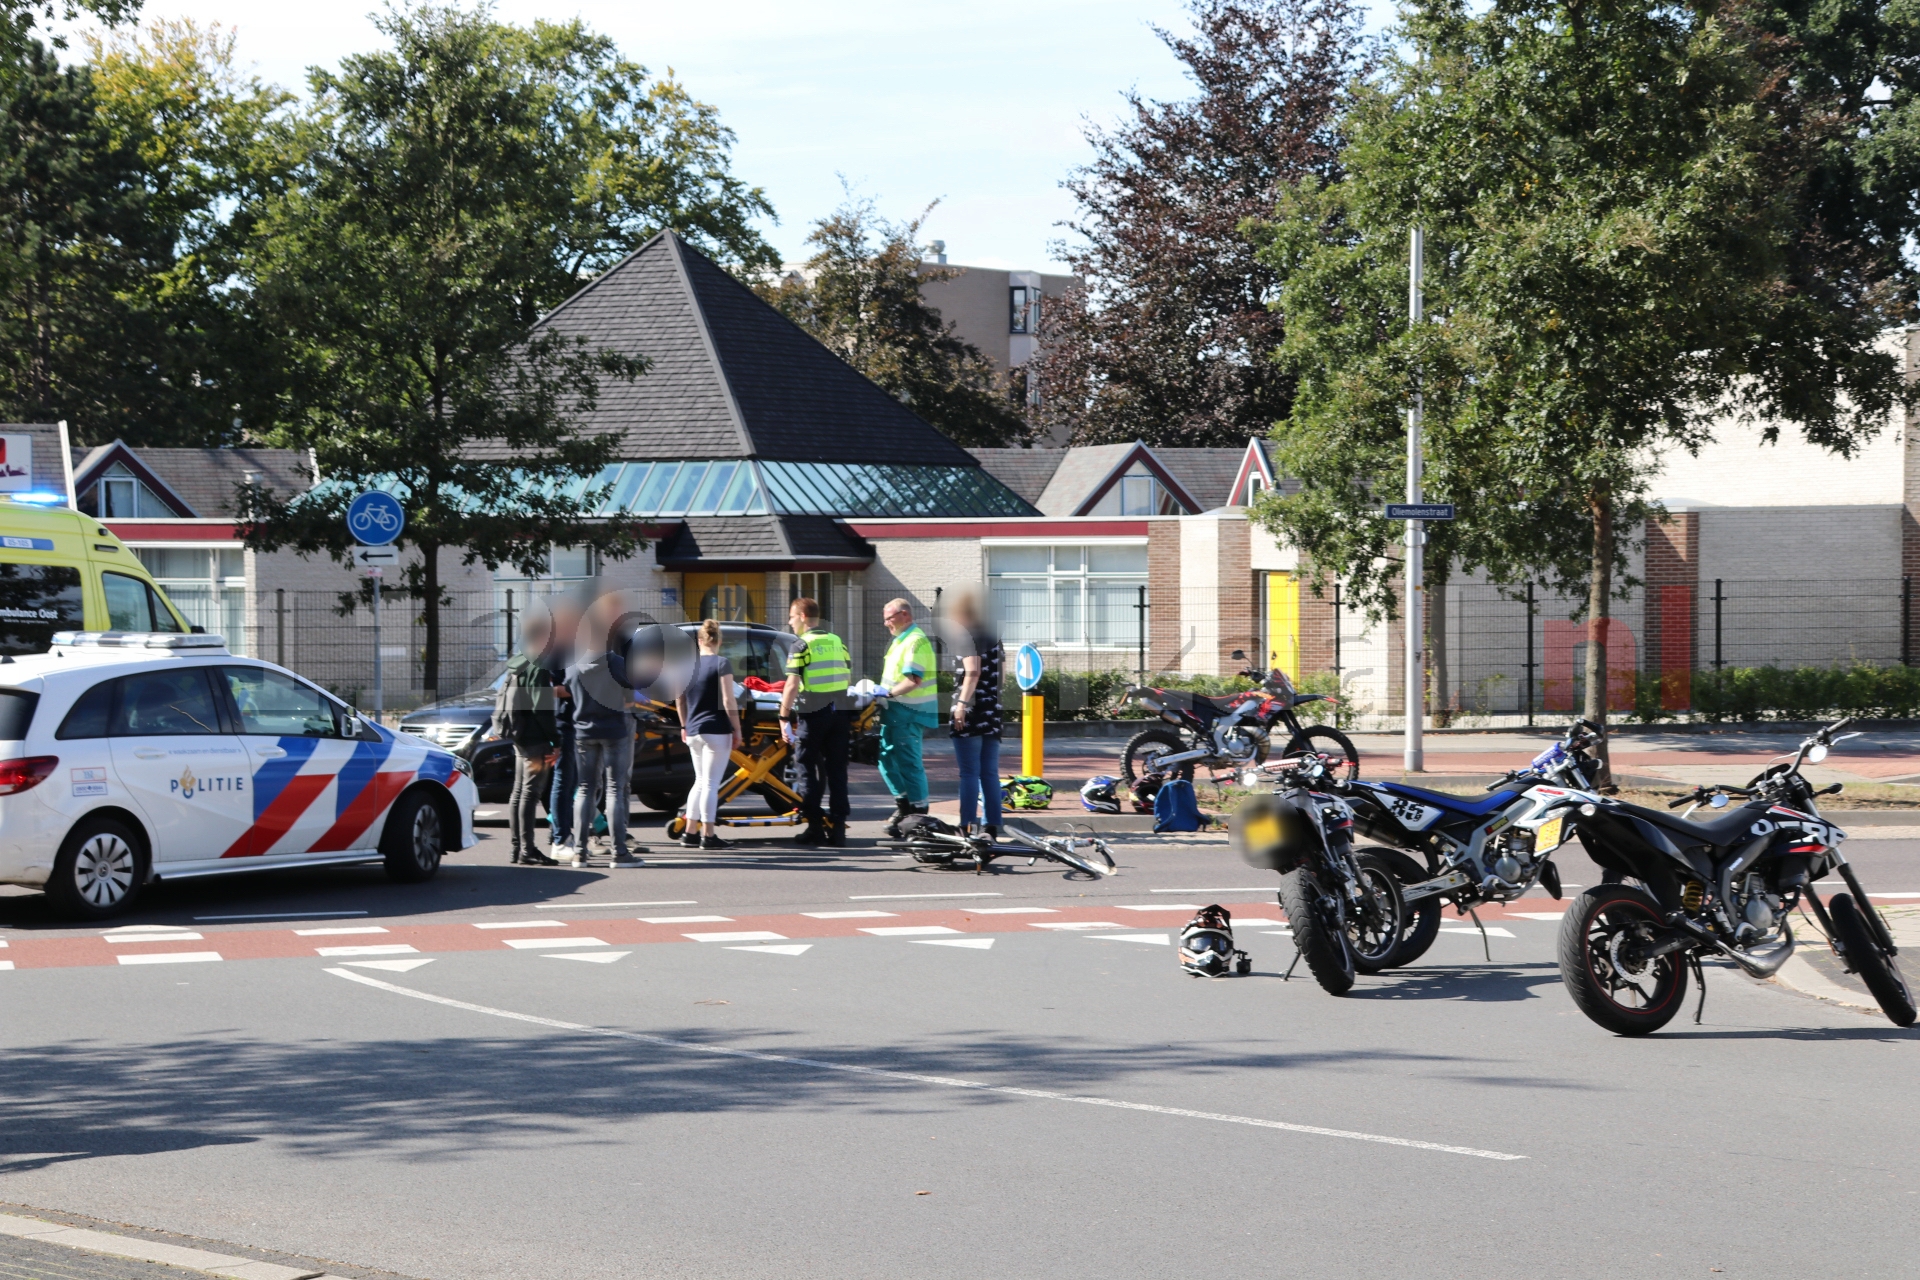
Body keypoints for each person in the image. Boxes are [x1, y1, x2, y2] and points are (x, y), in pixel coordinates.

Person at [564, 598, 644, 867]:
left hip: (583, 732)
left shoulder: (573, 666)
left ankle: (579, 852)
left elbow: (568, 694)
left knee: (585, 789)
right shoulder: (616, 663)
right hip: (614, 730)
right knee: (614, 788)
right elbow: (630, 699)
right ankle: (619, 852)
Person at [777, 596, 851, 846]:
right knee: (837, 770)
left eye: (791, 617)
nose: (789, 622)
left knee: (806, 765)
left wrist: (783, 716)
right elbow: (847, 672)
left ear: (802, 617)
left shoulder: (801, 645)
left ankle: (815, 825)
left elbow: (792, 684)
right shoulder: (837, 641)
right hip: (840, 711)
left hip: (814, 712)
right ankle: (839, 828)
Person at [493, 611, 561, 866]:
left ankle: (516, 848)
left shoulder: (518, 660)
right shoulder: (539, 665)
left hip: (519, 734)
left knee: (519, 792)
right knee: (531, 794)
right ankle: (528, 850)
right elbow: (541, 707)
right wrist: (556, 741)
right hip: (536, 739)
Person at [675, 618, 745, 850]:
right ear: (719, 641)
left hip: (693, 730)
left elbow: (679, 698)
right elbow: (728, 699)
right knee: (711, 784)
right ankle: (709, 834)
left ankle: (690, 831)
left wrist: (684, 726)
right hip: (716, 730)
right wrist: (737, 728)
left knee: (700, 781)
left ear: (699, 640)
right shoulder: (722, 663)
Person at [877, 597, 937, 839]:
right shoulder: (900, 641)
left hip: (909, 712)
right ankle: (904, 807)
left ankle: (919, 815)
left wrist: (887, 693)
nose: (886, 624)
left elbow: (913, 679)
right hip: (894, 712)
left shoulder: (915, 641)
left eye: (889, 618)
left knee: (909, 763)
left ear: (905, 615)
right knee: (884, 759)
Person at [947, 590, 1005, 839]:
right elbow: (1001, 675)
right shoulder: (994, 637)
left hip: (970, 710)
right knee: (989, 772)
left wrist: (962, 703)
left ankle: (966, 824)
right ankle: (992, 824)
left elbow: (972, 671)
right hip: (992, 709)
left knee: (969, 772)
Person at [542, 594, 582, 863]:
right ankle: (559, 839)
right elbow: (545, 690)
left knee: (575, 783)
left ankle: (569, 833)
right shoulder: (552, 651)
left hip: (581, 722)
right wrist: (577, 689)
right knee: (562, 781)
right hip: (563, 723)